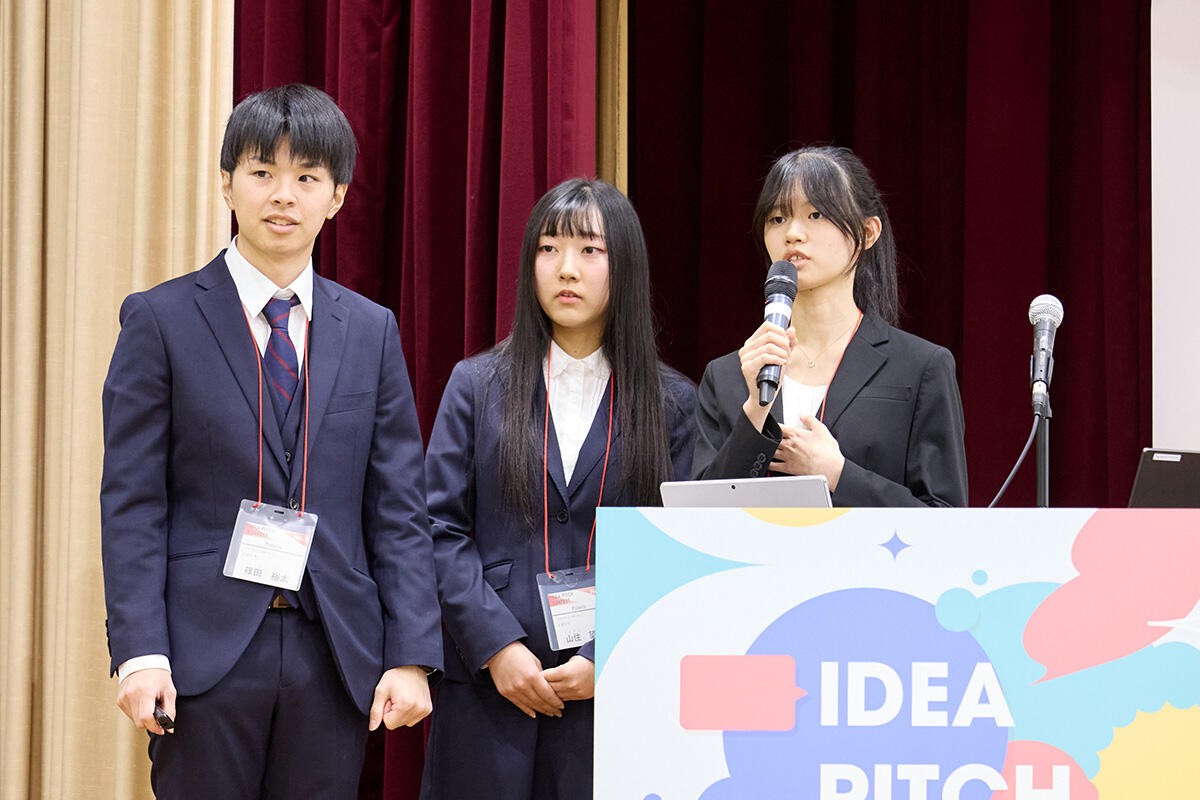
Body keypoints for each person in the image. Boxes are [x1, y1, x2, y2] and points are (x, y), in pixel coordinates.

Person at [100, 84, 442, 799]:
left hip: (333, 650)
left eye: (307, 177)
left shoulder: (371, 330)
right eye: (262, 172)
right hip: (201, 654)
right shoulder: (160, 320)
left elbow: (399, 508)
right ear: (227, 183)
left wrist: (411, 654)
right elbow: (133, 503)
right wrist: (140, 652)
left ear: (337, 196)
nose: (284, 194)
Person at [420, 178, 697, 799]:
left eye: (590, 250)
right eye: (549, 249)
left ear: (625, 266)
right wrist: (496, 647)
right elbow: (437, 528)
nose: (566, 269)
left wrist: (607, 653)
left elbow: (676, 546)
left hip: (615, 695)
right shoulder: (476, 385)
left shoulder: (673, 403)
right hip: (489, 690)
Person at [693, 146, 968, 507]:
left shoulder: (920, 367)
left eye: (816, 214)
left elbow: (946, 521)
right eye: (777, 218)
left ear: (867, 232)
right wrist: (755, 413)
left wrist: (838, 473)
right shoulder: (729, 374)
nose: (793, 233)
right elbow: (694, 519)